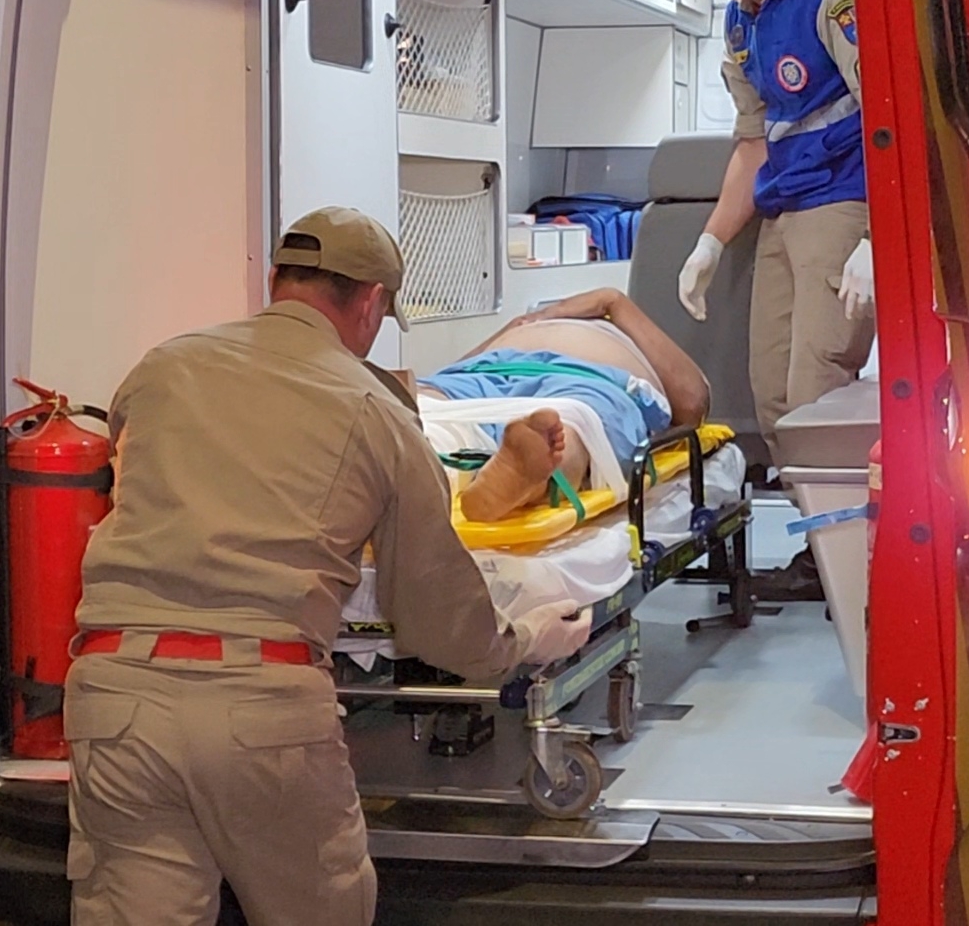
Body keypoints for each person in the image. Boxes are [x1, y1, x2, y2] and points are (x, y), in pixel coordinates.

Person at [62, 206, 591, 926]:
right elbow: (438, 616)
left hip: (113, 696)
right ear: (371, 302)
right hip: (259, 706)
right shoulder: (377, 410)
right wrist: (526, 642)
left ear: (278, 280)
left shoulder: (163, 365)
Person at [674, 0, 876, 597]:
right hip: (784, 206)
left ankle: (849, 563)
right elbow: (754, 143)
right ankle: (823, 547)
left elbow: (896, 117)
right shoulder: (740, 25)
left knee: (815, 386)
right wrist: (709, 242)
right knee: (772, 398)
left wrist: (879, 239)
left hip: (844, 200)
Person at [417, 287, 711, 522]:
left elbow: (693, 401)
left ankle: (526, 480)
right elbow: (457, 367)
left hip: (584, 378)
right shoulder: (526, 323)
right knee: (430, 406)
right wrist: (523, 322)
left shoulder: (621, 327)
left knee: (567, 426)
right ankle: (417, 462)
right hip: (486, 370)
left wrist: (613, 302)